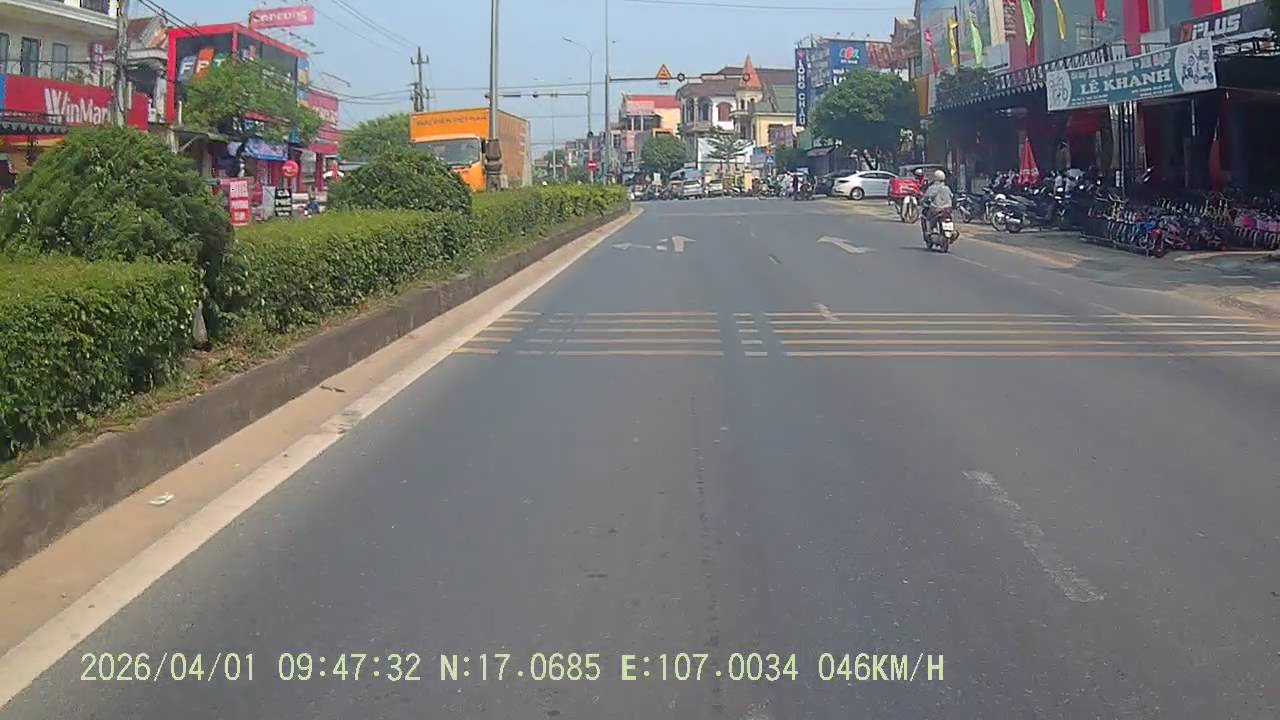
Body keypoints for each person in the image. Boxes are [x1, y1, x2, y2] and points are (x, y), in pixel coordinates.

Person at [921, 169, 954, 239]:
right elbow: (952, 196)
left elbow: (925, 198)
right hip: (947, 209)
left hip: (936, 209)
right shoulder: (947, 188)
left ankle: (930, 231)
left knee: (928, 218)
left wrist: (922, 201)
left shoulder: (932, 188)